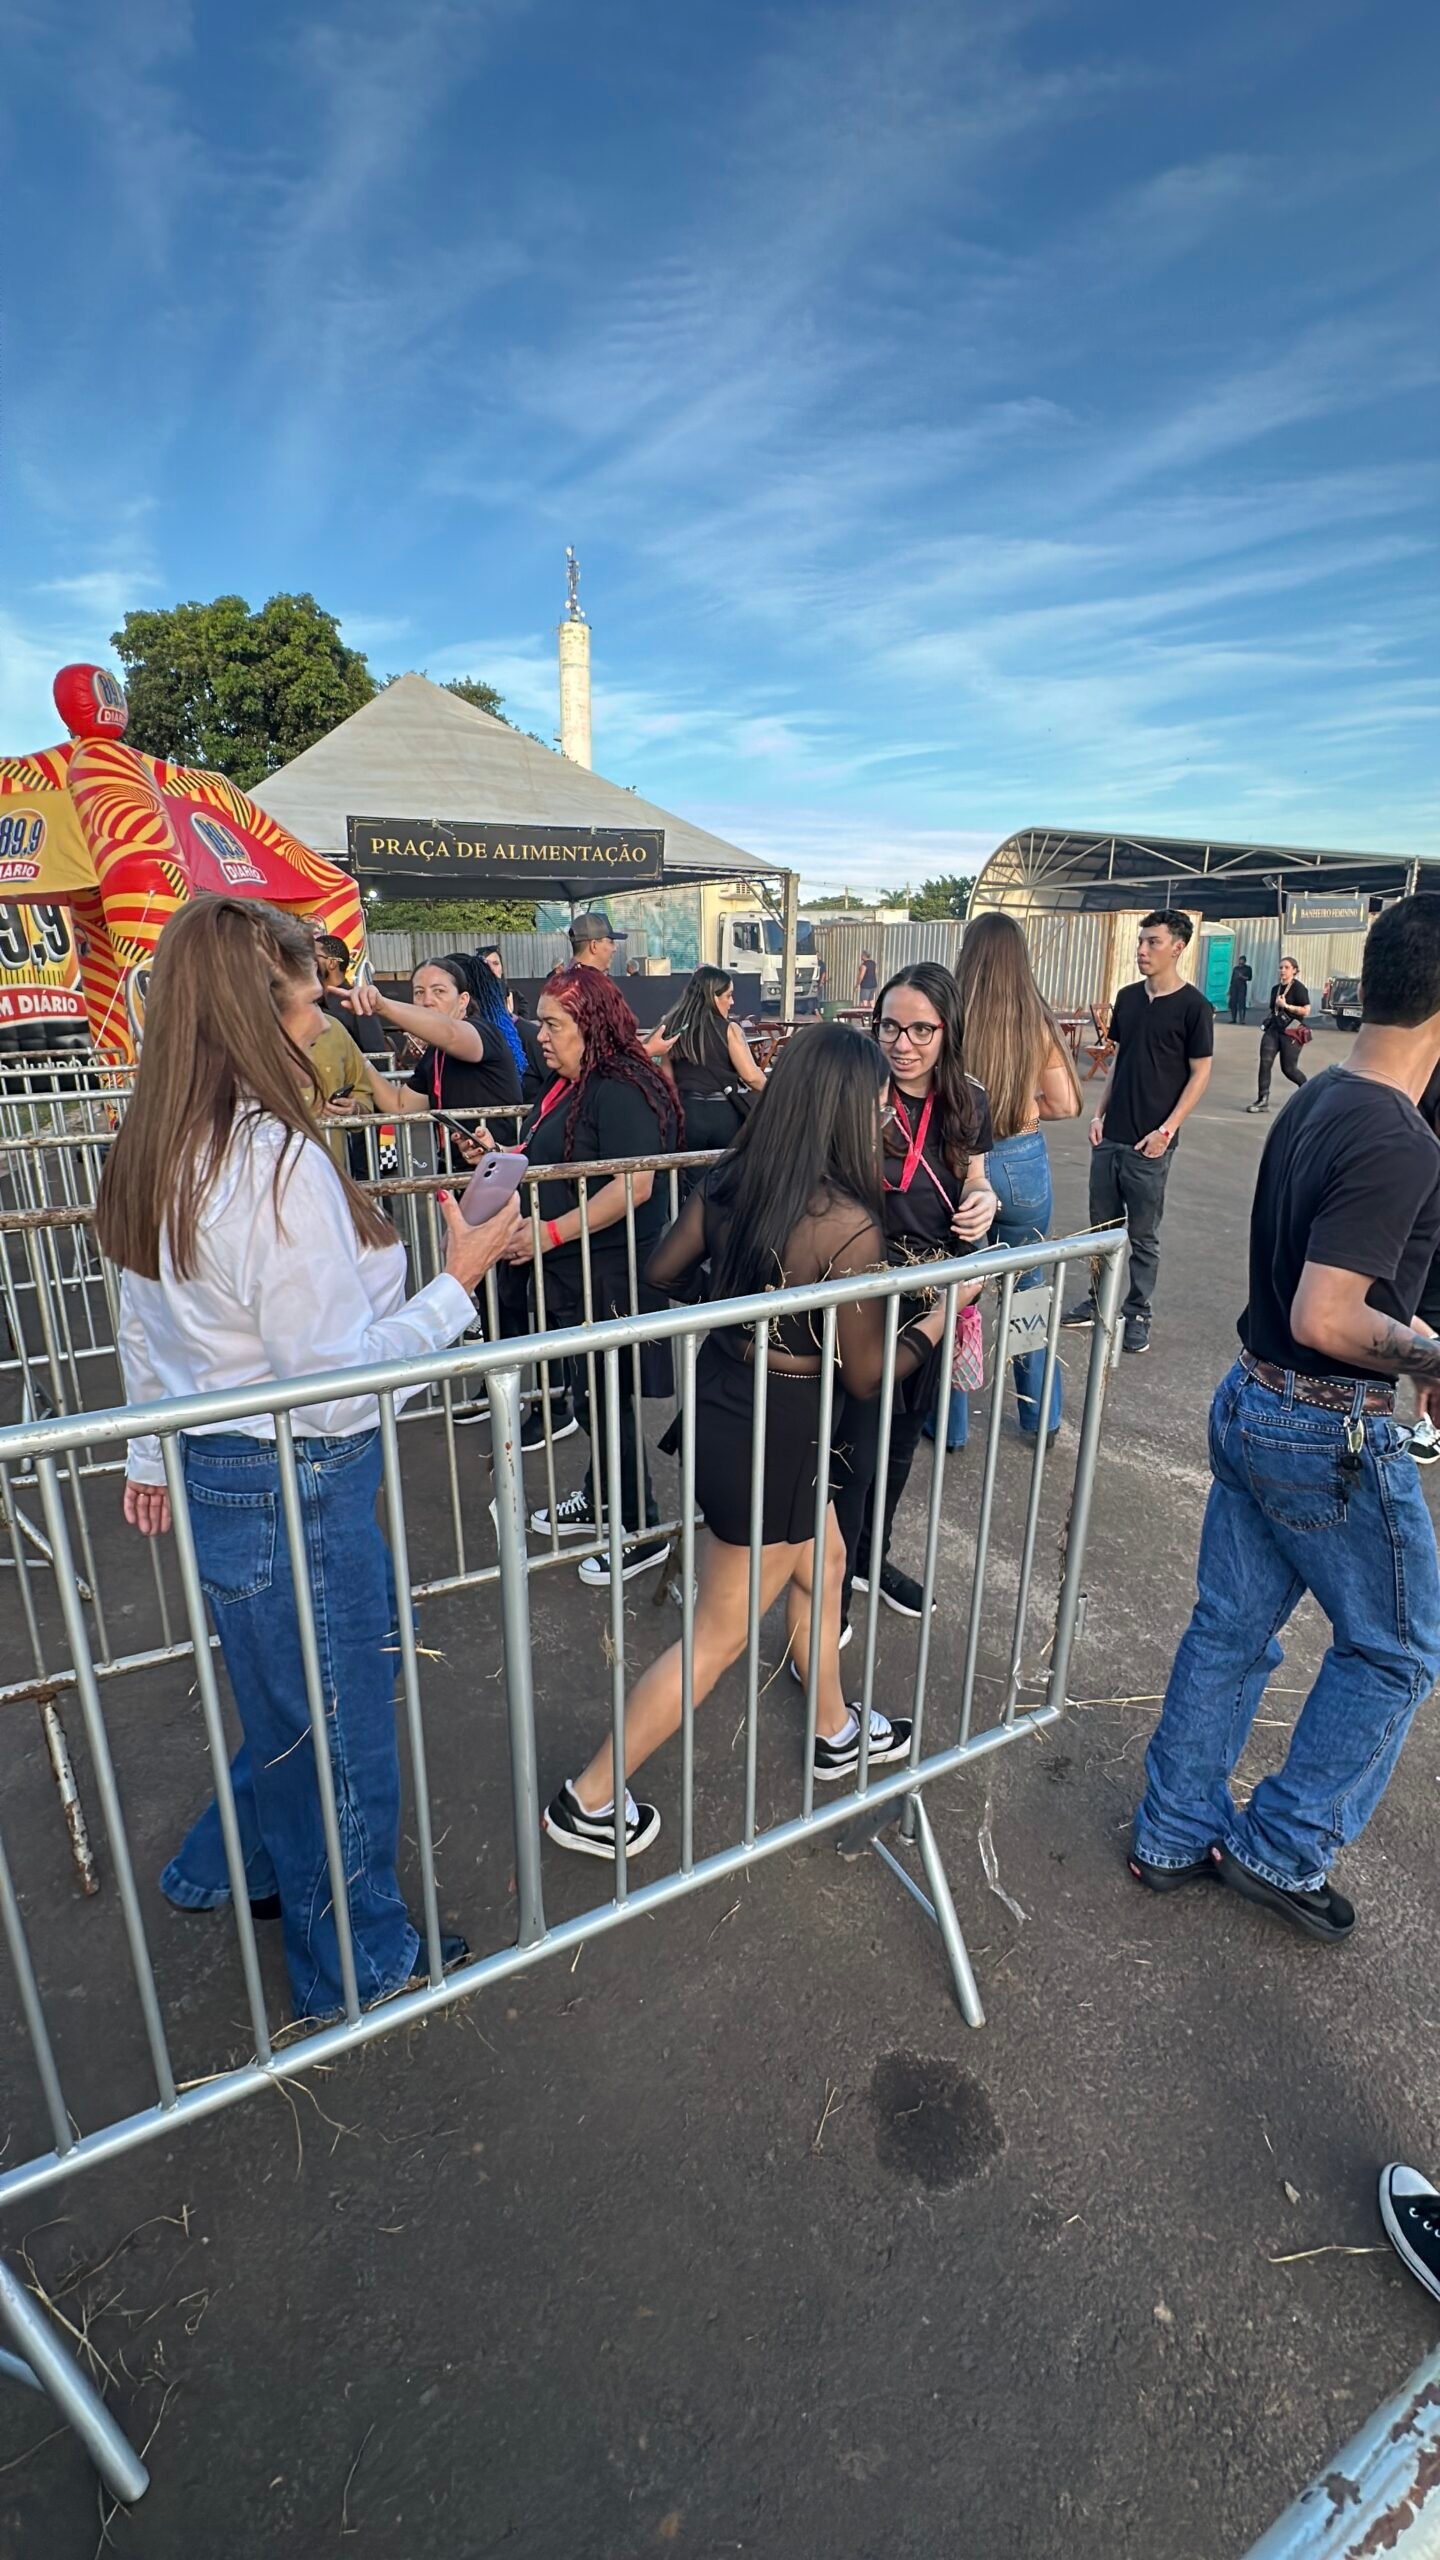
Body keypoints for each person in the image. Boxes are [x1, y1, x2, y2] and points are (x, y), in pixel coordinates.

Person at [97, 896, 522, 2022]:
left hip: (219, 1460)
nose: (317, 1022)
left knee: (297, 1696)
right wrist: (459, 1283)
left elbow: (147, 1324)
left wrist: (149, 1447)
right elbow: (334, 1387)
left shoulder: (159, 1140)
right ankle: (360, 1964)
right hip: (299, 1472)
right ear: (257, 1008)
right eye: (302, 1000)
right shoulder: (267, 1157)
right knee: (337, 1723)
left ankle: (225, 1866)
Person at [542, 1026, 957, 1859]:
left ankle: (835, 1728)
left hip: (732, 1400)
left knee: (829, 1560)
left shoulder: (737, 1177)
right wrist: (942, 1313)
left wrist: (746, 1303)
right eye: (878, 1102)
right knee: (721, 1634)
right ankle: (587, 1798)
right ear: (843, 1107)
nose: (887, 1114)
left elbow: (663, 1273)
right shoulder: (843, 1223)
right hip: (781, 1434)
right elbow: (870, 1374)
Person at [1129, 893, 1440, 1943]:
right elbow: (1331, 1312)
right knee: (1396, 1650)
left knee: (1229, 1628)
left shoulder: (1320, 1102)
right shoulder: (1398, 1135)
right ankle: (1282, 1843)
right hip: (1326, 1425)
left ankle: (1173, 1831)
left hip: (1255, 1396)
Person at [832, 965, 997, 1622]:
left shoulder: (970, 1099)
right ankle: (828, 1596)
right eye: (890, 1027)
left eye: (920, 1029)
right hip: (859, 1293)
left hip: (937, 1293)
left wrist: (983, 1201)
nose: (902, 1043)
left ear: (947, 1030)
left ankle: (873, 1557)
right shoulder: (853, 1087)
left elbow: (976, 1176)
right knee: (854, 1448)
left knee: (902, 1442)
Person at [514, 965, 682, 1586]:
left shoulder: (621, 1087)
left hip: (609, 1272)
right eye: (540, 1022)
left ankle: (640, 1527)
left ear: (591, 1024)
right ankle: (600, 1494)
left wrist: (548, 1234)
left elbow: (635, 1185)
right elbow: (558, 1155)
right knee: (588, 1396)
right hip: (573, 1272)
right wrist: (503, 1158)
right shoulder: (570, 1084)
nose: (541, 1036)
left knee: (605, 1398)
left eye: (554, 1024)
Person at [948, 910, 1083, 1444]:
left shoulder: (950, 1015)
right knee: (1028, 1289)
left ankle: (950, 1422)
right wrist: (1021, 1108)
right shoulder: (1038, 1022)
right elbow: (1067, 1102)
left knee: (960, 1292)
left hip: (962, 1164)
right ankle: (1040, 1415)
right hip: (1024, 1159)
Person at [1061, 911, 1213, 1356]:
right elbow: (1121, 1062)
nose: (1141, 950)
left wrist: (1167, 1130)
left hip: (1151, 1144)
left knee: (1143, 1235)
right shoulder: (1127, 999)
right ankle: (1096, 1299)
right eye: (1140, 942)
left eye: (1152, 942)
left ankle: (1138, 1310)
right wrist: (1098, 1115)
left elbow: (1200, 1074)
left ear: (1177, 947)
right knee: (1100, 1230)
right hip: (1111, 1137)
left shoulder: (1194, 1007)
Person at [345, 953, 524, 1163]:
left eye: (439, 991)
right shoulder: (435, 1053)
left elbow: (450, 1033)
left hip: (498, 1172)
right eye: (419, 993)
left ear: (463, 1000)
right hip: (455, 1173)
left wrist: (382, 1006)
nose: (427, 1001)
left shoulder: (484, 1032)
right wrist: (353, 1054)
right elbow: (400, 1104)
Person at [644, 965, 765, 1163]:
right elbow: (751, 1076)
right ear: (713, 997)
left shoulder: (672, 1026)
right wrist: (777, 1091)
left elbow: (668, 1081)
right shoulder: (729, 1030)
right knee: (725, 1181)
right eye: (728, 995)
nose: (732, 1002)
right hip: (724, 1115)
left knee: (690, 1185)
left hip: (687, 1114)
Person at [1246, 955, 1311, 1114]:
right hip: (1274, 1030)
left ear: (1294, 971)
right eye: (1281, 967)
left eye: (1286, 967)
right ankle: (1263, 1099)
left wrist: (1286, 1006)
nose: (1282, 970)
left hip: (1291, 1032)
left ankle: (1309, 1093)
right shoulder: (1276, 989)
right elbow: (1273, 1009)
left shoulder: (1299, 989)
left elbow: (1306, 1010)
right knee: (1265, 1062)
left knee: (1289, 1069)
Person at [1227, 954, 1253, 1026]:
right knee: (1233, 1002)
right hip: (1234, 987)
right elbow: (1232, 979)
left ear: (1244, 961)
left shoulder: (1248, 968)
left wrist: (1242, 977)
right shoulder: (1236, 968)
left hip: (1242, 987)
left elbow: (1249, 978)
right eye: (1240, 960)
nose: (1240, 961)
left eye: (1242, 960)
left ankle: (1242, 1019)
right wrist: (1230, 989)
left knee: (1241, 1002)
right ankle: (1233, 1019)